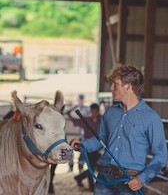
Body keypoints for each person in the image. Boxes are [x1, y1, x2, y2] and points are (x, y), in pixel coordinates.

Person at [70, 64, 167, 195]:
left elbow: (160, 155)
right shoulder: (110, 113)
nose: (111, 88)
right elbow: (100, 140)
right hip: (104, 177)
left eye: (115, 84)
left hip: (131, 181)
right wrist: (82, 145)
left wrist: (141, 179)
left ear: (128, 86)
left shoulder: (151, 118)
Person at [67, 103, 101, 191]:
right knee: (91, 167)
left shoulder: (102, 120)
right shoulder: (86, 120)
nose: (94, 113)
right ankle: (92, 188)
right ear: (90, 111)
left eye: (96, 111)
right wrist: (72, 108)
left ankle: (79, 177)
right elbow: (73, 119)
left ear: (98, 111)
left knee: (95, 167)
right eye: (92, 111)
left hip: (99, 148)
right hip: (88, 147)